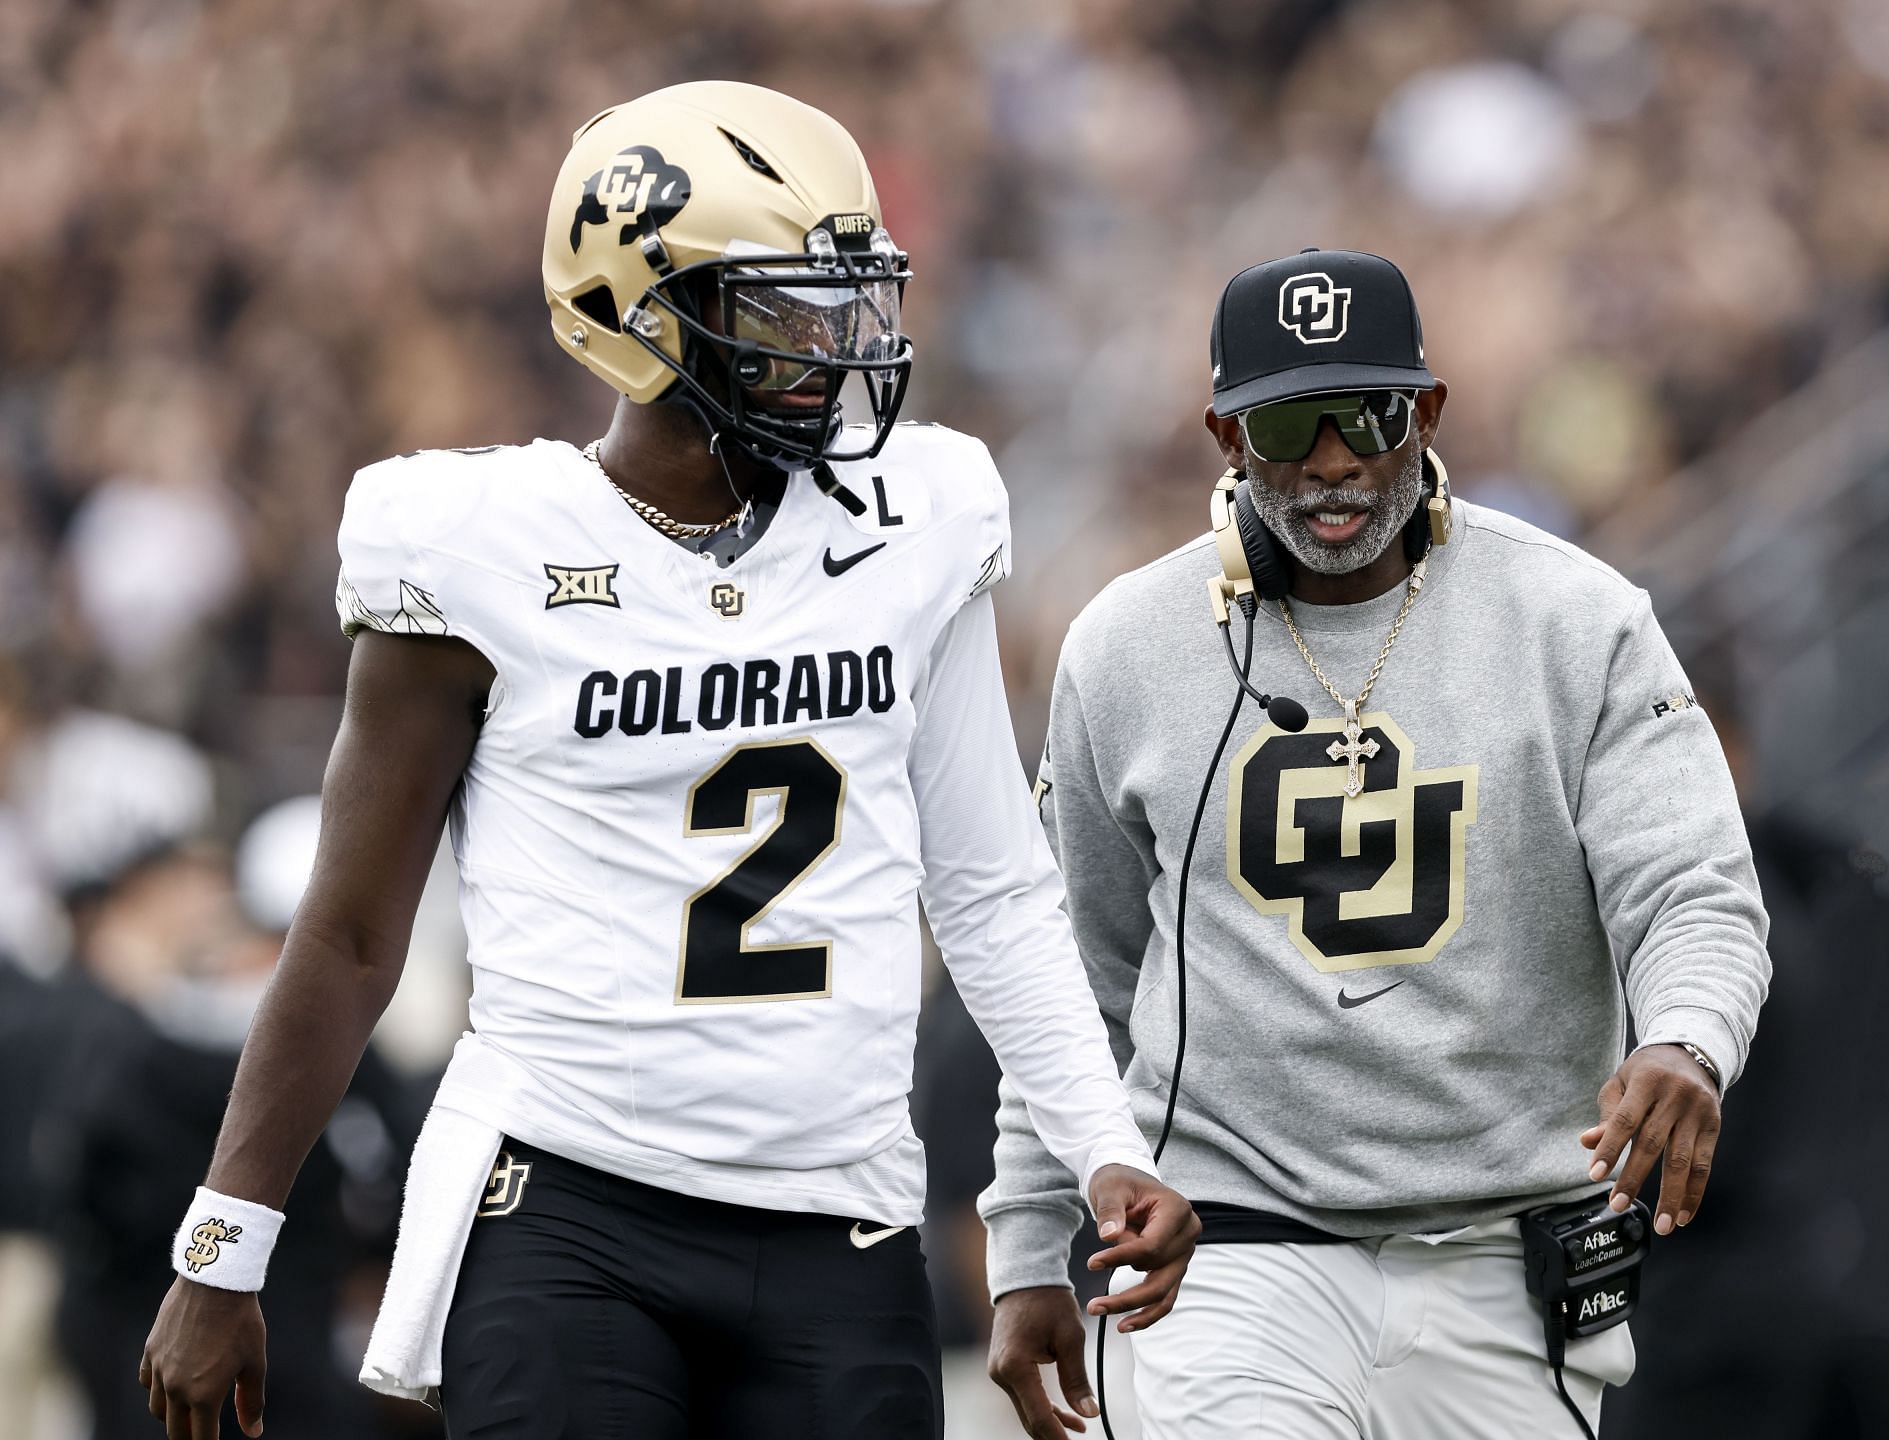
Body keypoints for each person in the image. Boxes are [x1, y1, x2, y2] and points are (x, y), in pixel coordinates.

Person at [139, 81, 1198, 1440]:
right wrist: (224, 1245)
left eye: (851, 301)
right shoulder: (477, 546)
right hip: (571, 1199)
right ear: (637, 319)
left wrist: (1102, 1147)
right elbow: (349, 937)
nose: (836, 347)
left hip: (841, 1210)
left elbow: (991, 889)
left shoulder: (916, 520)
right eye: (784, 311)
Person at [980, 248, 1771, 1439]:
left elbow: (1695, 892)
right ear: (1227, 437)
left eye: (1368, 413)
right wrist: (1030, 1239)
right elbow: (1070, 978)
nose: (1335, 459)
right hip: (1226, 1242)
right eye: (1292, 423)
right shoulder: (1124, 647)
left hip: (1505, 1252)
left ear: (1429, 413)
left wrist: (1686, 1042)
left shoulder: (1579, 618)